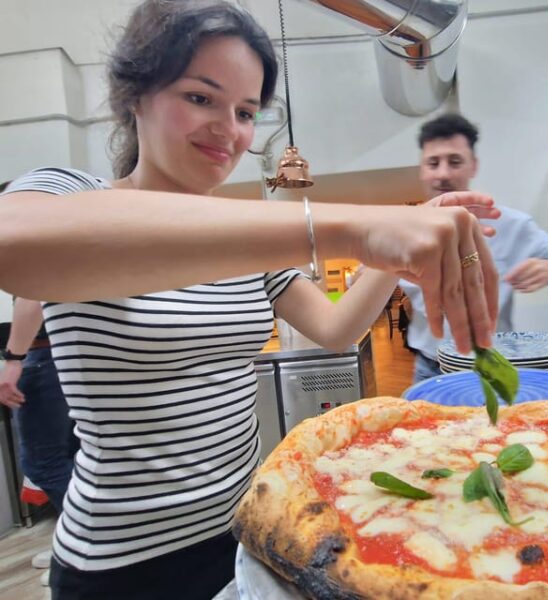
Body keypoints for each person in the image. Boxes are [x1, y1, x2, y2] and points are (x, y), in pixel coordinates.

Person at [0, 2, 500, 598]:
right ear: (135, 97)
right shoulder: (73, 193)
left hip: (248, 531)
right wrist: (353, 225)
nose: (229, 129)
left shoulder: (244, 240)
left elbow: (335, 329)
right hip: (120, 564)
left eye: (244, 111)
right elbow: (15, 244)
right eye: (200, 98)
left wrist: (398, 245)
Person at [400, 113, 548, 383]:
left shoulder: (509, 224)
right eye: (433, 163)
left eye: (455, 161)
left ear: (473, 166)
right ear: (422, 171)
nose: (443, 174)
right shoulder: (401, 229)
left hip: (493, 365)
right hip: (430, 366)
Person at [0, 297, 79, 578]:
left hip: (44, 354)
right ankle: (69, 546)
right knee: (74, 458)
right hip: (71, 355)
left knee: (44, 465)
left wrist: (13, 359)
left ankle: (79, 554)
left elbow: (31, 294)